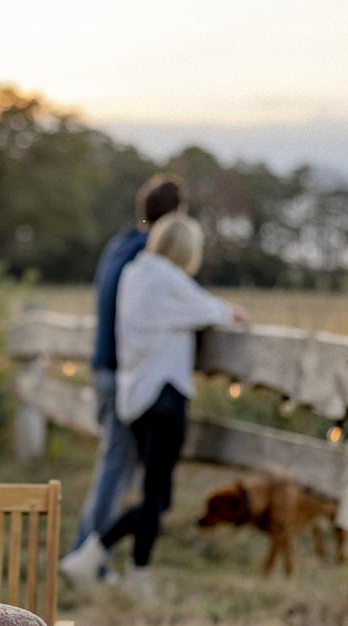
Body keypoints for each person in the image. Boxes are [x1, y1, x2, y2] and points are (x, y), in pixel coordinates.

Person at [59, 212, 247, 596]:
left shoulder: (134, 273)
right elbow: (210, 309)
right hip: (165, 396)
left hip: (138, 397)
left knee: (154, 496)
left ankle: (121, 567)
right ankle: (104, 560)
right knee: (157, 499)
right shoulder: (169, 279)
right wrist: (233, 313)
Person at [63, 175, 187, 582]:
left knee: (116, 467)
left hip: (104, 368)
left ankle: (92, 554)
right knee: (116, 469)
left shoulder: (119, 244)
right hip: (125, 374)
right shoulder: (147, 256)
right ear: (176, 216)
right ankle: (87, 558)